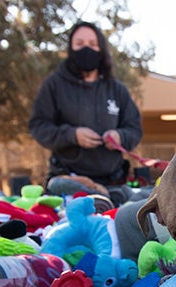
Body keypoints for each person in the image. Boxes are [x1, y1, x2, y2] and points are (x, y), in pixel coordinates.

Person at [28, 21, 143, 206]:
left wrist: (119, 136)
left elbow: (134, 128)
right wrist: (72, 135)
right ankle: (96, 197)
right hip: (68, 181)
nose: (86, 49)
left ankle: (105, 198)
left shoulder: (117, 89)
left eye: (92, 44)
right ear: (71, 49)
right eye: (80, 44)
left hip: (113, 181)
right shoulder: (54, 85)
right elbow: (38, 126)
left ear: (101, 48)